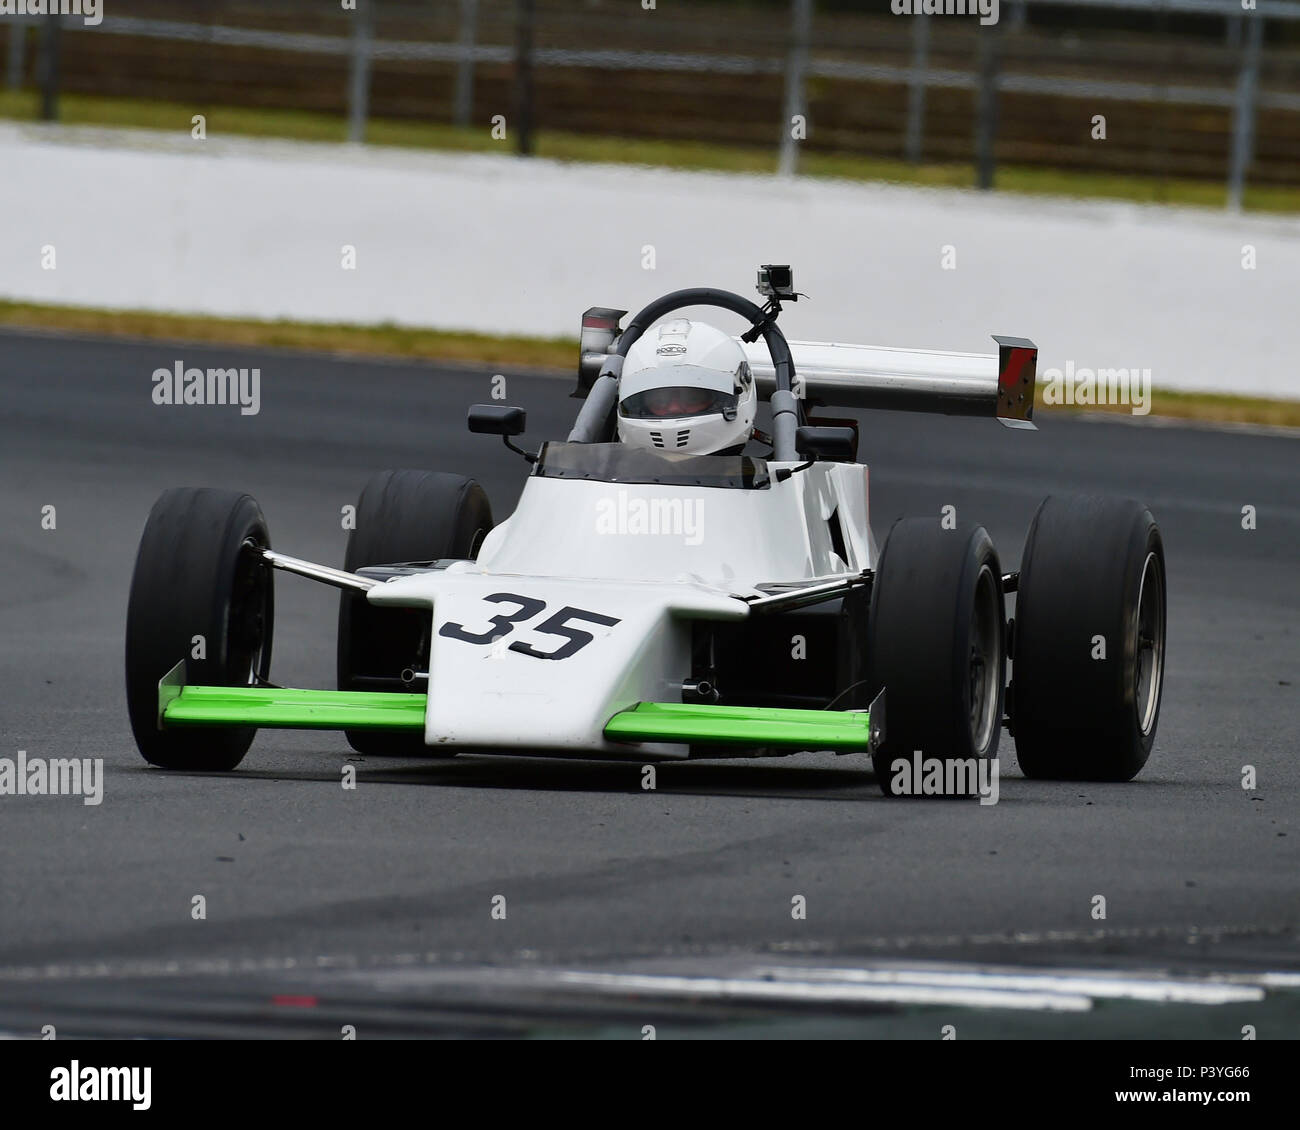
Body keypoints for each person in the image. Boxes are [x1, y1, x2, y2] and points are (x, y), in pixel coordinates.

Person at [616, 318, 757, 455]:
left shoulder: (771, 475)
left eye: (692, 398)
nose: (674, 408)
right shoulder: (602, 472)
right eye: (659, 400)